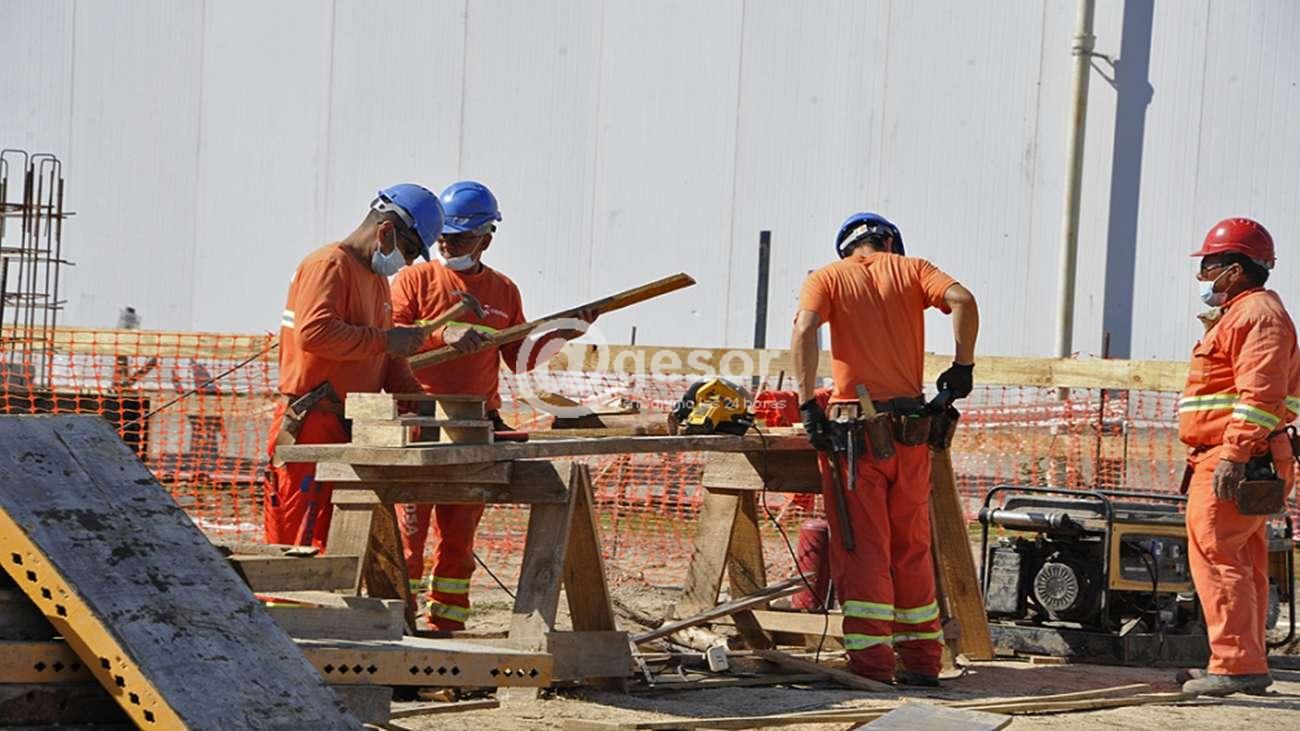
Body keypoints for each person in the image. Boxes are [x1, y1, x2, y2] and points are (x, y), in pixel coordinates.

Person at [390, 180, 595, 631]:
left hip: (475, 427)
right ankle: (397, 629)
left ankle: (447, 628)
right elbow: (390, 343)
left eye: (460, 236)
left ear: (486, 237)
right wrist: (444, 333)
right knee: (407, 539)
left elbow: (517, 358)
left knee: (458, 540)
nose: (447, 243)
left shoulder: (503, 291)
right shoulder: (414, 279)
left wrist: (564, 332)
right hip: (417, 423)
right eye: (443, 234)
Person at [790, 212, 979, 685]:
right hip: (910, 434)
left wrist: (806, 403)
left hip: (855, 440)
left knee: (864, 550)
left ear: (849, 248)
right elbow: (963, 299)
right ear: (889, 242)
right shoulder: (914, 270)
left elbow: (804, 331)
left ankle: (872, 666)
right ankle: (921, 664)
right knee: (912, 547)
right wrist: (963, 366)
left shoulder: (826, 278)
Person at [264, 184, 442, 550]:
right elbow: (315, 333)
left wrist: (426, 406)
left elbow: (384, 360)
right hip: (311, 425)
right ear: (387, 230)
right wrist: (387, 341)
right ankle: (285, 610)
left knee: (337, 544)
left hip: (345, 425)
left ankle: (324, 608)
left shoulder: (376, 281)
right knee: (299, 546)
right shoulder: (329, 264)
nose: (406, 263)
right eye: (409, 251)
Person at [1177, 217, 1298, 696]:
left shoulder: (1258, 315)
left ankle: (1232, 665)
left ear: (1236, 268)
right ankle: (1245, 661)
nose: (1203, 277)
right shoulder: (1247, 313)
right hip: (1242, 454)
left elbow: (1261, 396)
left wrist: (1234, 453)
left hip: (1236, 456)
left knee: (1218, 555)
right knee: (1242, 557)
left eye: (1209, 266)